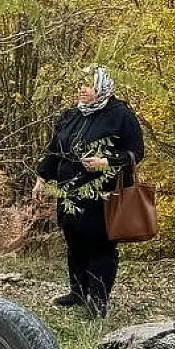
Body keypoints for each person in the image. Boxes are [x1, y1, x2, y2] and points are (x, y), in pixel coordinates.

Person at [33, 66, 145, 316]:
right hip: (69, 192)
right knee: (74, 242)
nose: (82, 90)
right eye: (80, 85)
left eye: (89, 86)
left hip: (101, 194)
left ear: (102, 86)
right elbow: (55, 150)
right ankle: (78, 291)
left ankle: (98, 300)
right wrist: (42, 178)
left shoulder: (120, 114)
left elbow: (136, 152)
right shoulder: (71, 115)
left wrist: (105, 161)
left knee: (99, 247)